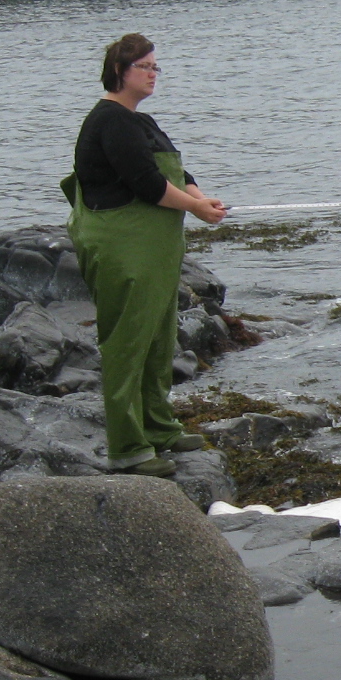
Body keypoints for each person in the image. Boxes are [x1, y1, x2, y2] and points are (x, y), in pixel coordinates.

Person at [63, 34, 228, 477]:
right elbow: (145, 182)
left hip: (155, 251)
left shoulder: (142, 121)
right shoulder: (109, 120)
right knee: (127, 345)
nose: (154, 73)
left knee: (158, 340)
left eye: (156, 66)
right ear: (120, 70)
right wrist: (193, 208)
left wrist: (199, 196)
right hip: (122, 250)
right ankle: (129, 448)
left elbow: (177, 171)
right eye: (145, 66)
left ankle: (158, 428)